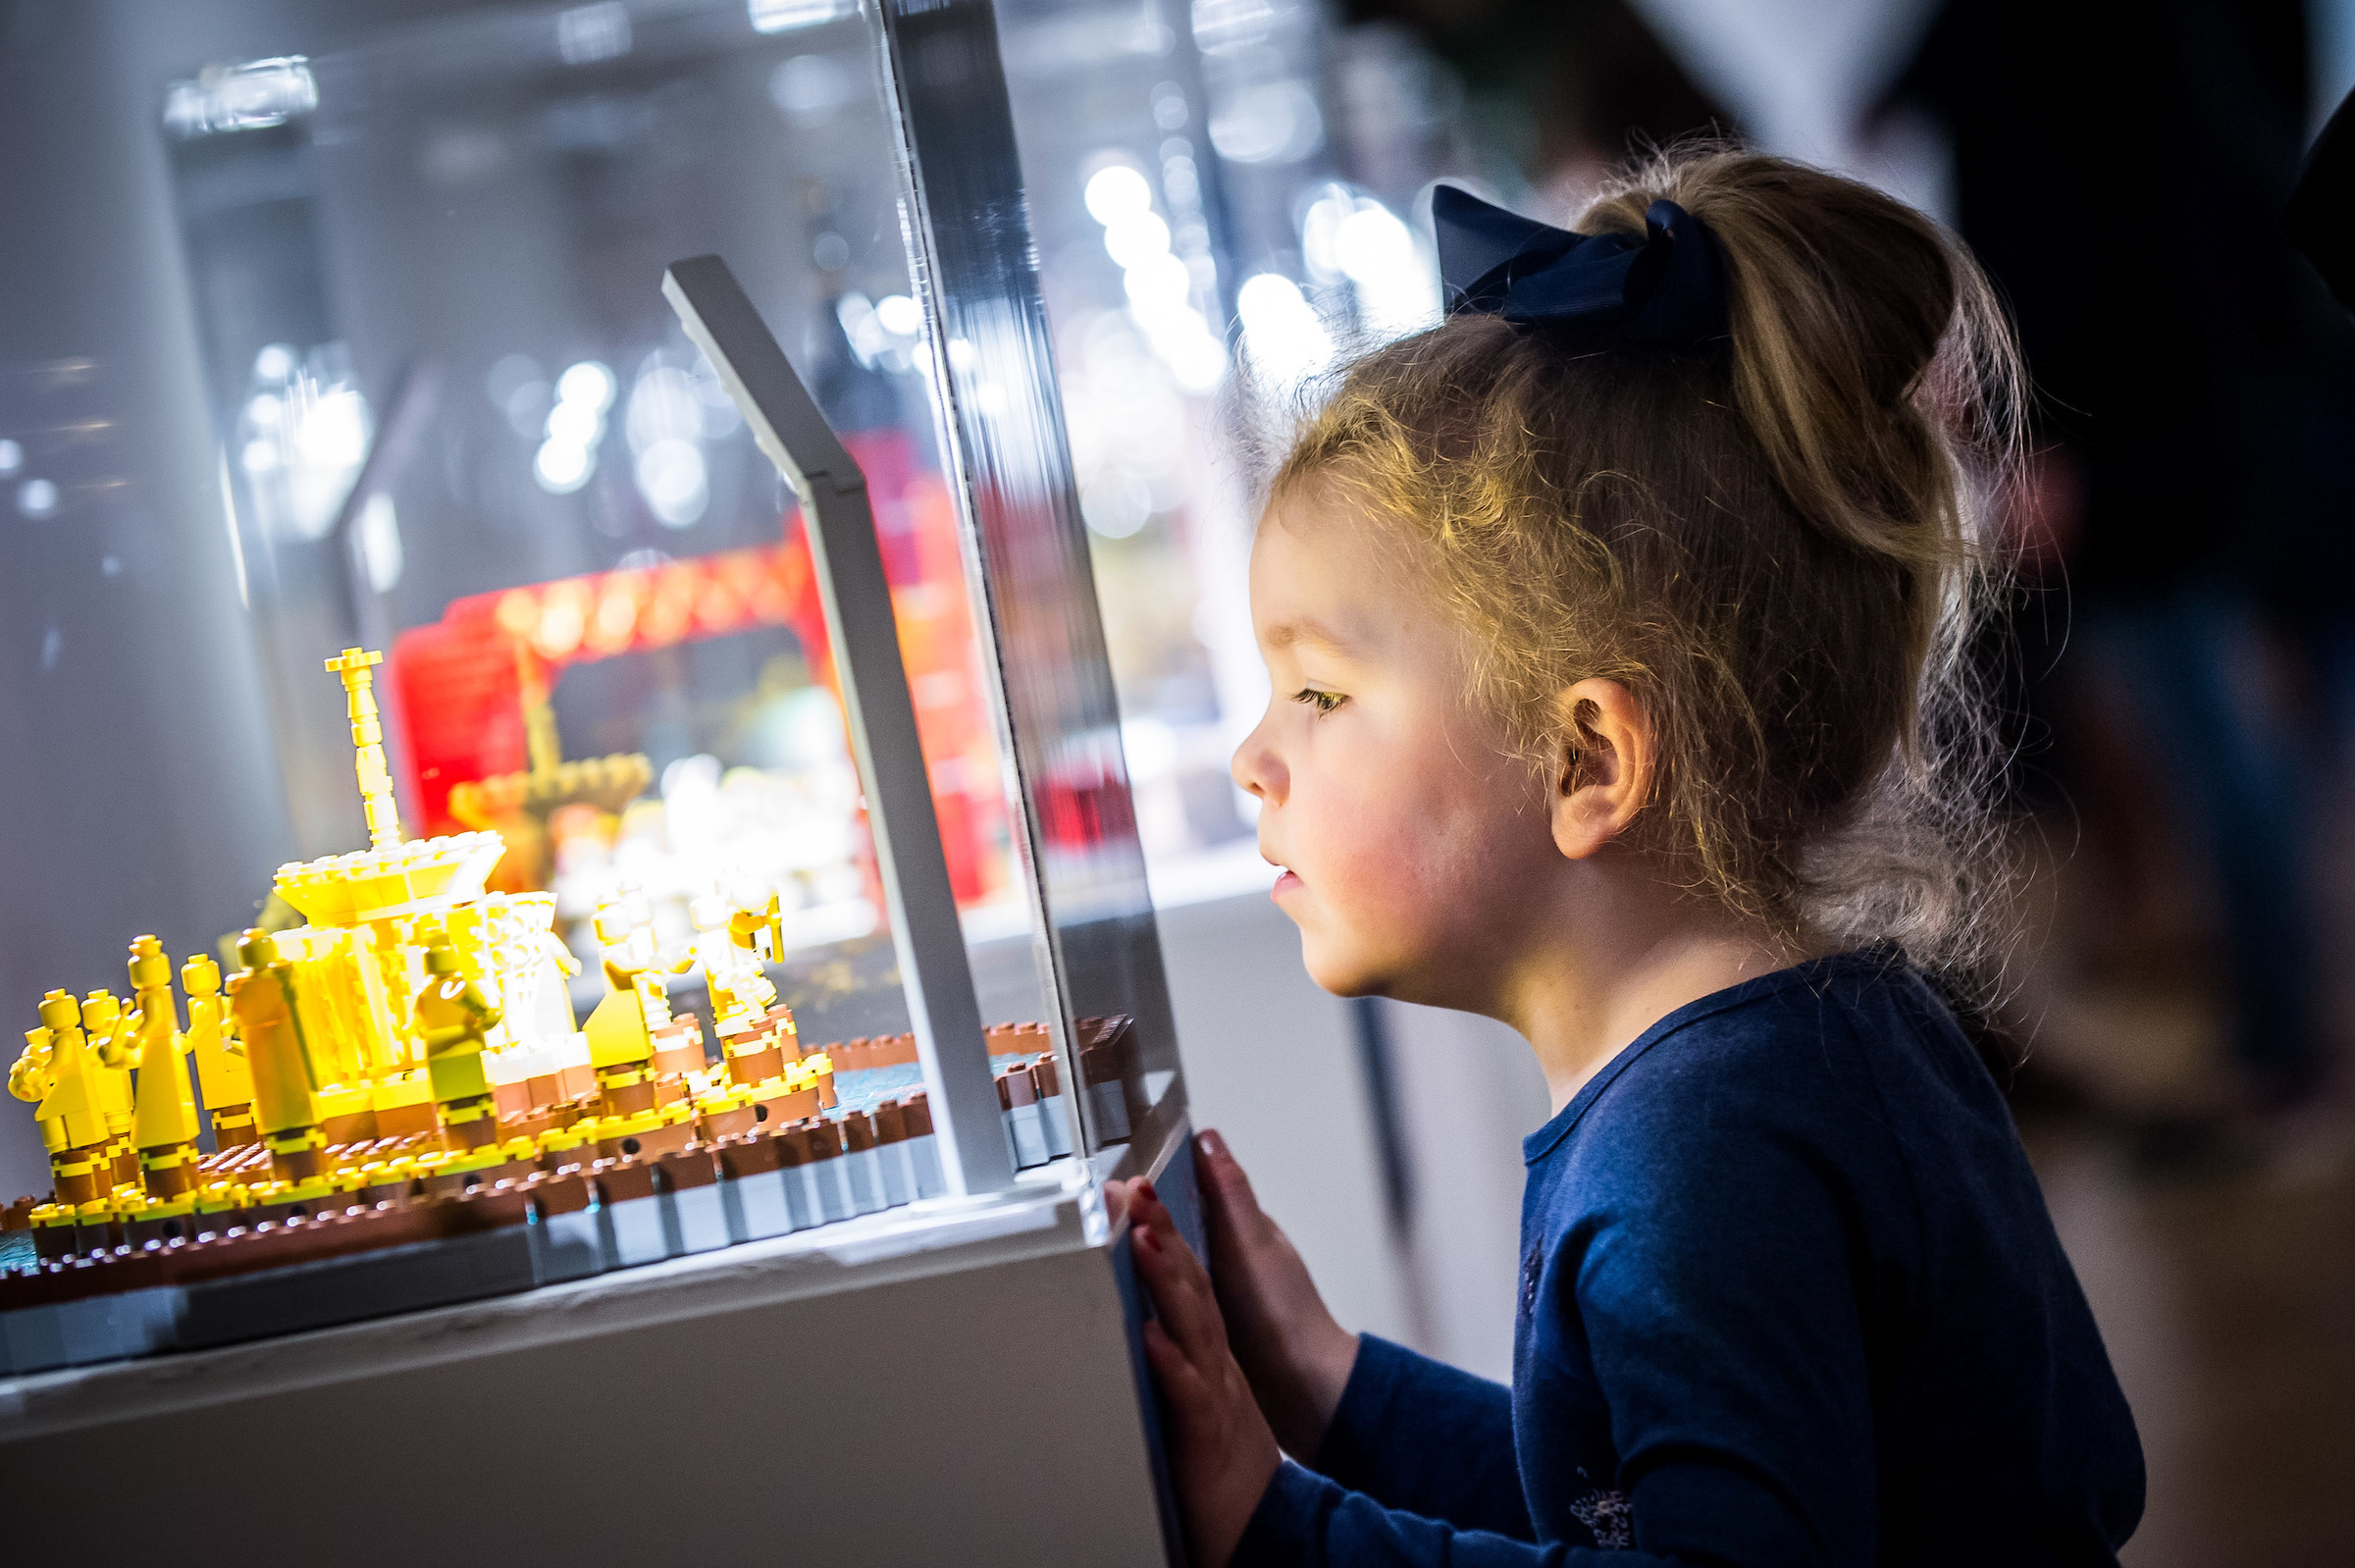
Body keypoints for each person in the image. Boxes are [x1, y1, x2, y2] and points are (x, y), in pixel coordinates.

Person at [1112, 148, 2144, 1566]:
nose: (1253, 757)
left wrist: (1294, 1535)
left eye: (1321, 692)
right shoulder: (1792, 1054)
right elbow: (1636, 1502)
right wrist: (1340, 1393)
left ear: (1585, 758)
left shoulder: (1699, 1163)